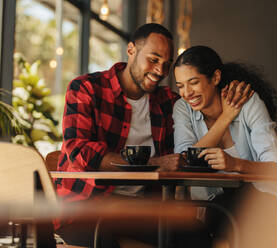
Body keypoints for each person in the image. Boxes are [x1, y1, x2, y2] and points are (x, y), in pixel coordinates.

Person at [54, 24, 211, 248]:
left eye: (166, 65)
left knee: (197, 235)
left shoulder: (168, 102)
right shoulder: (86, 88)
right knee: (103, 241)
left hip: (139, 210)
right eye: (153, 59)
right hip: (85, 207)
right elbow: (80, 152)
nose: (160, 71)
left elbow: (202, 123)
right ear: (131, 50)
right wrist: (152, 164)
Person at [173, 45, 277, 243]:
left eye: (193, 82)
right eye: (180, 85)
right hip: (210, 207)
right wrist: (226, 118)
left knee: (236, 207)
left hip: (260, 201)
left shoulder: (248, 103)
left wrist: (235, 165)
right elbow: (184, 161)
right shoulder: (183, 108)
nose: (186, 93)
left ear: (216, 78)